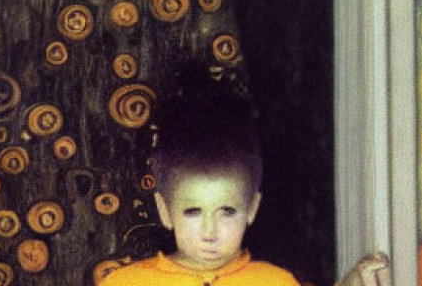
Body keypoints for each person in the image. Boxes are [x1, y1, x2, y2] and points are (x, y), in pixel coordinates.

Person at [102, 83, 302, 285]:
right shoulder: (127, 282)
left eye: (227, 211)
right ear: (165, 210)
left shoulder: (276, 282)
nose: (209, 233)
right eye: (193, 211)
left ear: (252, 207)